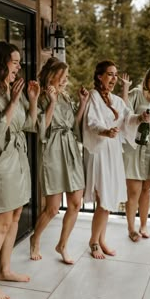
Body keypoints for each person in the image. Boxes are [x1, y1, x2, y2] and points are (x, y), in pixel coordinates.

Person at [82, 60, 150, 259]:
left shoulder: (116, 100)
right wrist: (105, 131)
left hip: (113, 152)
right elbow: (91, 122)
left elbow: (128, 118)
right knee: (104, 197)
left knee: (109, 196)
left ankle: (101, 239)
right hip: (100, 150)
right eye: (109, 74)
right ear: (99, 76)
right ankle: (94, 241)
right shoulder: (94, 96)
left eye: (115, 75)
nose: (113, 78)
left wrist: (141, 118)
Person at [30, 57, 89, 264]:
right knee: (53, 208)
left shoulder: (65, 96)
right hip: (52, 151)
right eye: (63, 76)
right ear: (53, 76)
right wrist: (52, 103)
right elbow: (41, 128)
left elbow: (74, 125)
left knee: (75, 202)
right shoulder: (41, 96)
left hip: (70, 149)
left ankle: (62, 245)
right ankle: (35, 238)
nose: (66, 80)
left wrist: (81, 104)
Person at [0, 41, 40, 299]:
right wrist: (12, 102)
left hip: (18, 163)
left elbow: (29, 125)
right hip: (1, 165)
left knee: (15, 216)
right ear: (1, 64)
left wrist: (30, 101)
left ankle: (5, 269)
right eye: (15, 62)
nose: (19, 67)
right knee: (0, 225)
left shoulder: (12, 90)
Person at [121, 66, 150, 242]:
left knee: (147, 188)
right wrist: (125, 89)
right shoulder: (136, 93)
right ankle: (131, 228)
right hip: (135, 146)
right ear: (147, 80)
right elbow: (125, 112)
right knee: (134, 190)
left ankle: (143, 225)